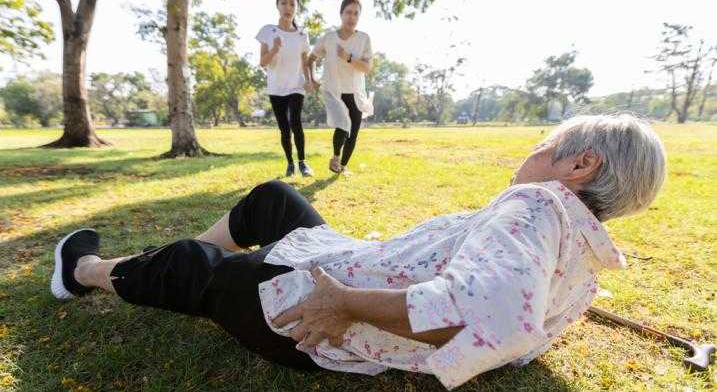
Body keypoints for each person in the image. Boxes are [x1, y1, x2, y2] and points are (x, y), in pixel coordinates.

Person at [50, 114, 666, 389]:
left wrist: (348, 305)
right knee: (274, 200)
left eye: (543, 144)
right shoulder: (582, 250)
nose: (526, 156)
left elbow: (490, 319)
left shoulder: (535, 205)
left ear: (579, 165)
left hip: (312, 318)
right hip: (347, 265)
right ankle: (167, 265)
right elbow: (521, 330)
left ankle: (82, 272)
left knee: (194, 266)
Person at [306, 0, 373, 175]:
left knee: (354, 132)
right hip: (334, 90)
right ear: (341, 14)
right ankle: (335, 158)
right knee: (343, 124)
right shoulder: (329, 38)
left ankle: (342, 166)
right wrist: (312, 78)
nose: (352, 17)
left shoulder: (364, 38)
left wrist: (348, 58)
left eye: (356, 14)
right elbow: (311, 58)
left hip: (356, 91)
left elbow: (367, 68)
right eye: (348, 12)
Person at [256, 0, 314, 177]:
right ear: (277, 5)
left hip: (296, 85)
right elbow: (263, 62)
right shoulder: (268, 30)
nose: (288, 7)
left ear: (297, 8)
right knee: (284, 128)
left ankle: (303, 163)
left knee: (295, 121)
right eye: (284, 3)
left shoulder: (302, 34)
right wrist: (274, 49)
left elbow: (305, 62)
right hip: (276, 87)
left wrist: (310, 80)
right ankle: (290, 163)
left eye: (292, 4)